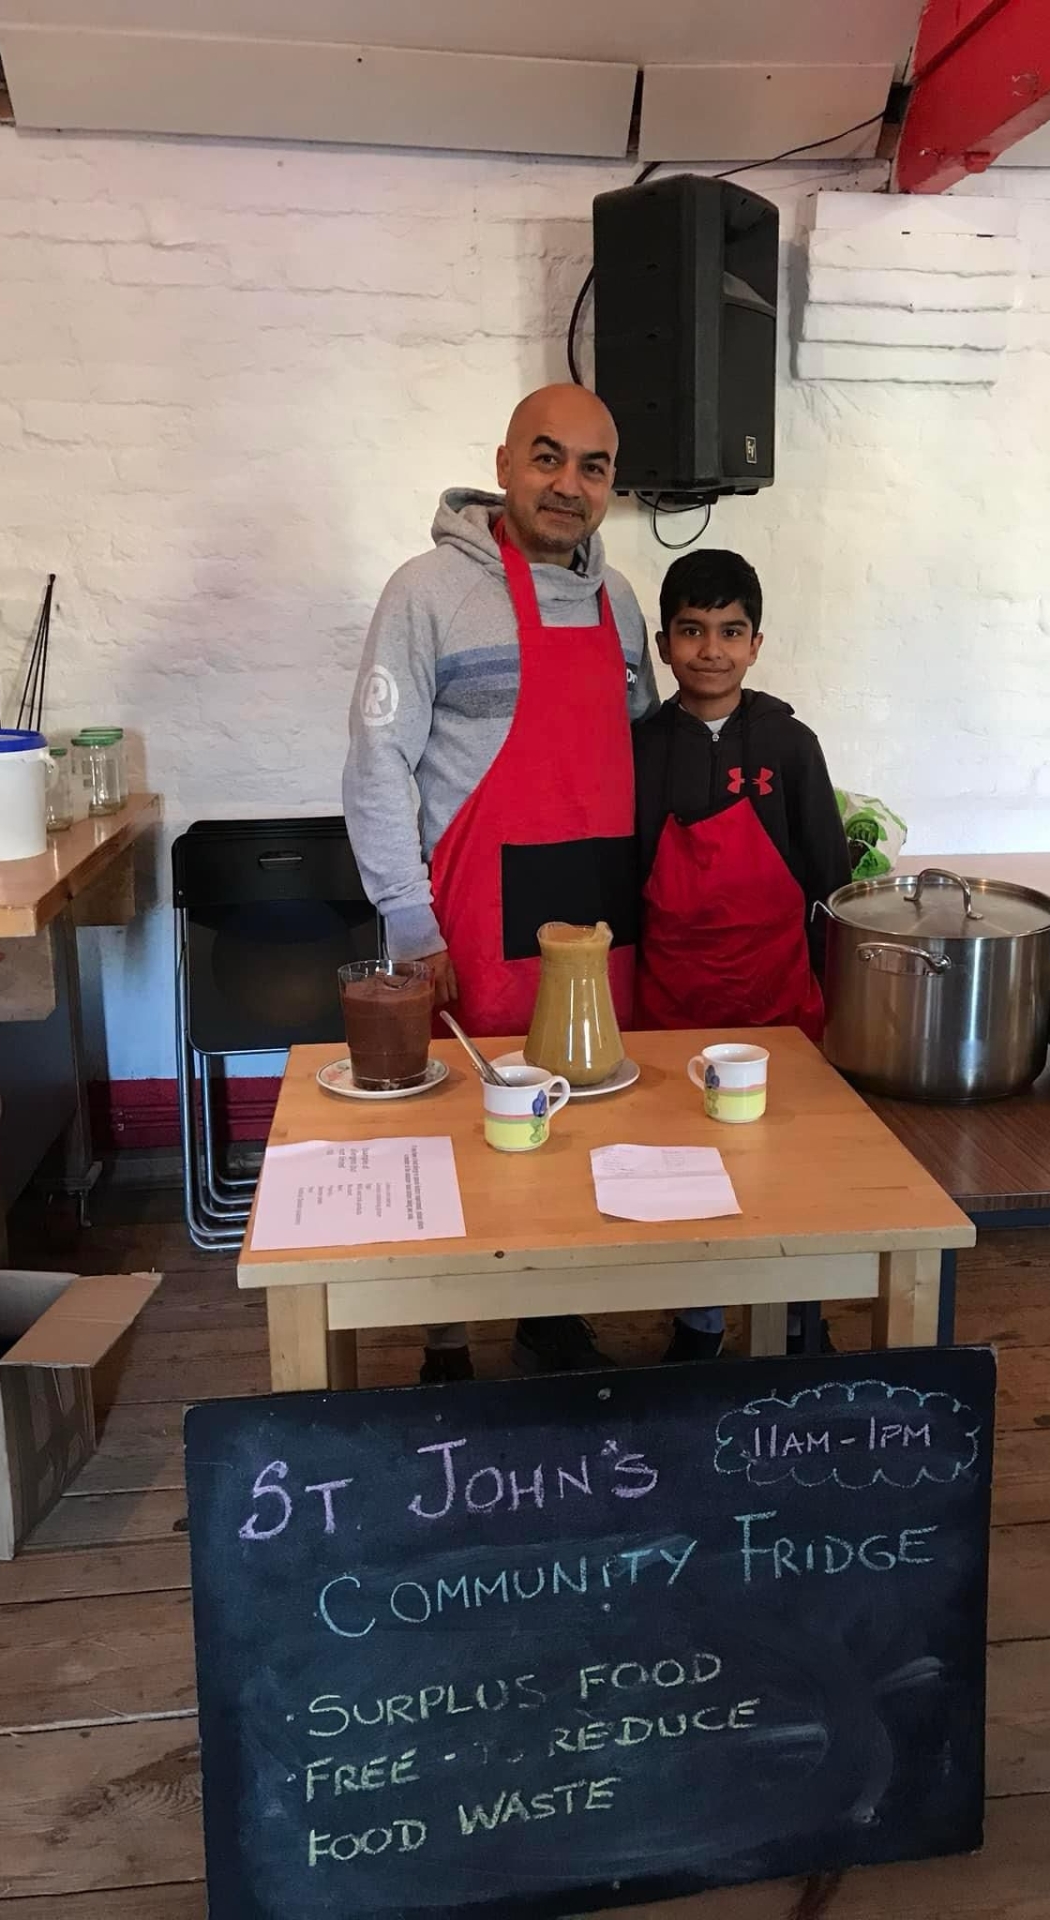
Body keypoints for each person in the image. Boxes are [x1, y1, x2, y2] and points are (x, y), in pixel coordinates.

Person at [344, 385, 657, 1382]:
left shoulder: (621, 603)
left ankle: (551, 1309)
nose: (569, 485)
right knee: (463, 1129)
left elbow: (636, 742)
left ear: (612, 484)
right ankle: (447, 1342)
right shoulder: (428, 590)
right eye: (548, 457)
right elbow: (376, 760)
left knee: (584, 1118)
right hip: (472, 913)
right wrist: (407, 914)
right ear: (505, 461)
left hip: (598, 914)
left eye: (593, 467)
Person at [633, 548, 852, 1361]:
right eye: (692, 631)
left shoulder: (790, 745)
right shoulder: (642, 748)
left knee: (790, 1168)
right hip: (671, 1007)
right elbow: (624, 888)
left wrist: (841, 1001)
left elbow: (828, 880)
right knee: (685, 1167)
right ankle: (699, 1323)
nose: (711, 650)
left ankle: (802, 1316)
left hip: (779, 1004)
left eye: (731, 631)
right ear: (664, 645)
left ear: (758, 643)